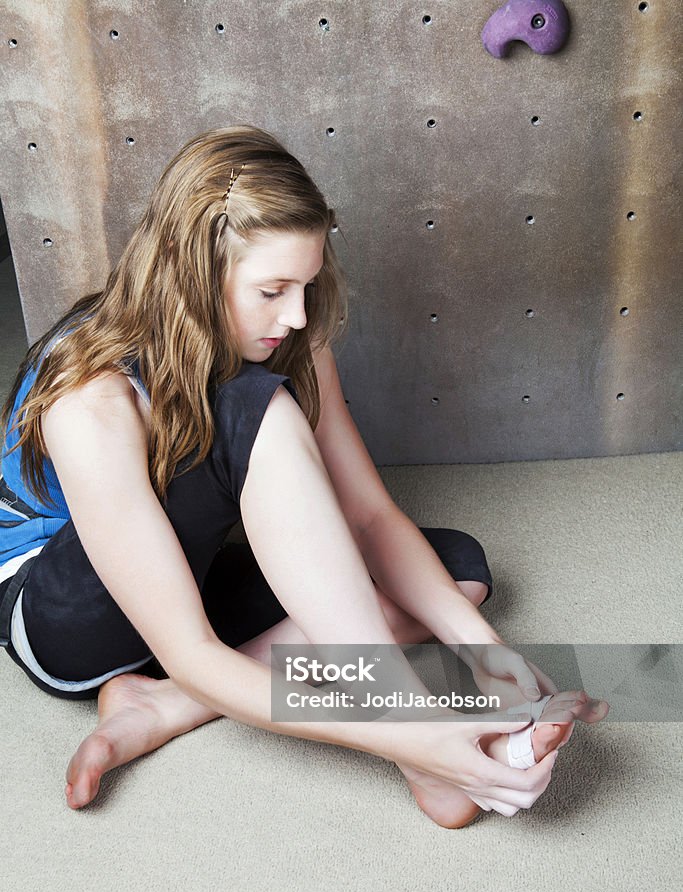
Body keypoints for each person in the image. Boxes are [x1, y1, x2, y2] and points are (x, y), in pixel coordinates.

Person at [0, 125, 608, 826]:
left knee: (455, 568)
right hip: (62, 614)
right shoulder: (92, 399)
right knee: (250, 406)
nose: (294, 314)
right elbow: (188, 647)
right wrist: (409, 739)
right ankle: (399, 719)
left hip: (175, 573)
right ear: (193, 273)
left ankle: (167, 703)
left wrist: (487, 654)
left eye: (306, 284)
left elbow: (371, 517)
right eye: (272, 289)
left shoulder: (290, 327)